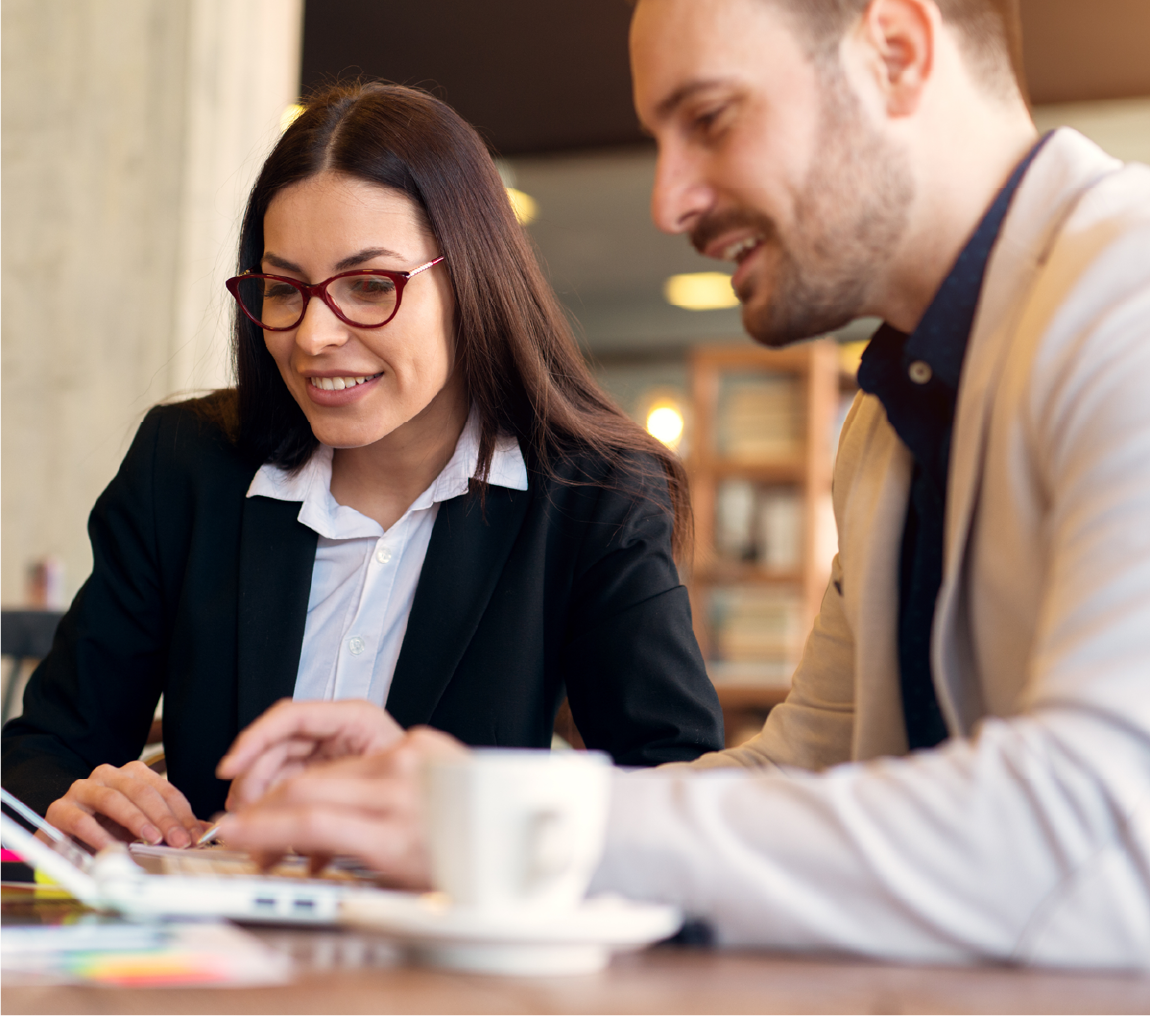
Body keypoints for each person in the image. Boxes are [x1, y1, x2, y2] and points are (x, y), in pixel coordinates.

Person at [211, 0, 1150, 966]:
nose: (671, 199)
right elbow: (804, 766)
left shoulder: (1126, 297)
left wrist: (515, 823)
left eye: (709, 118)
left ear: (895, 54)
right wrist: (460, 797)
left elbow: (1108, 837)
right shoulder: (888, 412)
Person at [0, 82, 723, 851]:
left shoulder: (592, 496)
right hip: (208, 956)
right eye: (285, 289)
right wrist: (75, 803)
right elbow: (40, 755)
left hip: (451, 963)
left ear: (470, 279)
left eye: (369, 285)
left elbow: (676, 787)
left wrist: (469, 811)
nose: (313, 335)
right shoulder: (185, 467)